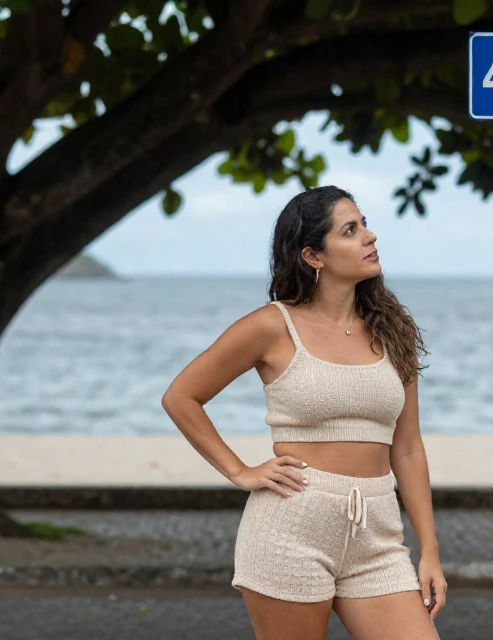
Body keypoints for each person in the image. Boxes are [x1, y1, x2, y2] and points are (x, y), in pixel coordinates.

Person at [161, 186, 445, 640]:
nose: (370, 237)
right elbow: (181, 397)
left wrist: (429, 550)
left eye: (365, 224)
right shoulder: (271, 326)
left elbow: (407, 448)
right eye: (350, 230)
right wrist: (239, 470)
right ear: (314, 256)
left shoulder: (394, 331)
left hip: (378, 537)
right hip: (291, 528)